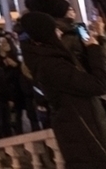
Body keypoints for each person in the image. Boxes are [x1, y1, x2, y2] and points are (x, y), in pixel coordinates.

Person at [19, 11, 106, 169]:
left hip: (85, 131)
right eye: (55, 29)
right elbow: (98, 84)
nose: (60, 33)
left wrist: (97, 39)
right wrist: (93, 48)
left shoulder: (52, 59)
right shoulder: (51, 66)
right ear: (46, 35)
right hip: (84, 138)